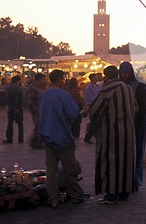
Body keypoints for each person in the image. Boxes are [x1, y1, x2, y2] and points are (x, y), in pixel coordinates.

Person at [89, 65, 137, 204]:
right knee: (126, 161)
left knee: (110, 162)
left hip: (111, 133)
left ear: (105, 76)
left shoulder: (107, 89)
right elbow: (135, 108)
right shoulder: (128, 88)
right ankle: (124, 192)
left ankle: (111, 194)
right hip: (128, 132)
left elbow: (94, 110)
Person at [39, 69, 85, 208]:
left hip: (47, 136)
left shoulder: (44, 94)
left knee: (51, 170)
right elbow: (73, 114)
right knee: (70, 167)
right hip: (62, 137)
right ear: (59, 79)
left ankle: (53, 198)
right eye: (63, 78)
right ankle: (76, 194)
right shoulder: (63, 94)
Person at [119, 61, 146, 189]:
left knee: (136, 153)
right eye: (122, 73)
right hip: (123, 126)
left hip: (136, 125)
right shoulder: (119, 86)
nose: (124, 75)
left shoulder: (140, 86)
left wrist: (138, 122)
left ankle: (135, 181)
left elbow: (144, 107)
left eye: (126, 73)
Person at [25, 73, 47, 149]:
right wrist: (35, 109)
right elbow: (30, 101)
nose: (44, 81)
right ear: (40, 79)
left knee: (40, 125)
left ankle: (38, 142)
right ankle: (34, 142)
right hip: (36, 109)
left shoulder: (39, 87)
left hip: (40, 108)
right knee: (38, 125)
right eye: (43, 79)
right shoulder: (33, 88)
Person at [3, 75, 24, 144]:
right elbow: (21, 100)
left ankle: (9, 138)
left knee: (10, 123)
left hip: (10, 109)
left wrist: (12, 107)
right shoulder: (20, 89)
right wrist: (18, 108)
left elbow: (7, 99)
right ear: (18, 81)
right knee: (20, 124)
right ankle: (20, 139)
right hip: (19, 109)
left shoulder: (9, 89)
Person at [83, 73, 100, 144]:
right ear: (92, 79)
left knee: (94, 122)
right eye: (95, 77)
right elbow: (90, 99)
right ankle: (94, 136)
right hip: (92, 106)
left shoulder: (97, 86)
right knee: (94, 122)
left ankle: (88, 137)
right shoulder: (89, 88)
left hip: (98, 105)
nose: (97, 79)